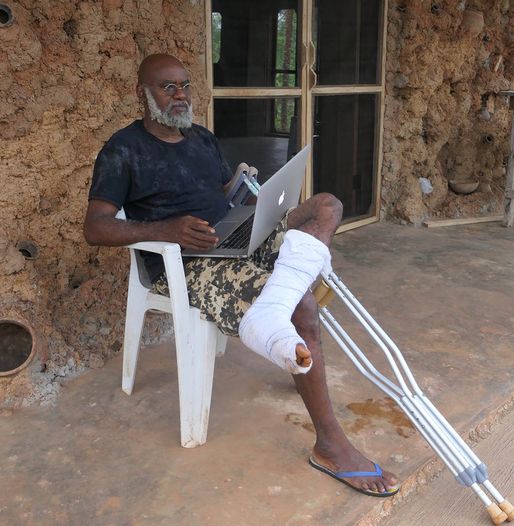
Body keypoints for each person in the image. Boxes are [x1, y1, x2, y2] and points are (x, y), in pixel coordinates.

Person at [83, 53, 400, 497]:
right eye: (167, 87)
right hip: (182, 263)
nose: (180, 96)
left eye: (185, 85)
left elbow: (219, 199)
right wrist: (166, 230)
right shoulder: (122, 150)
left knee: (325, 205)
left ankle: (288, 298)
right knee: (302, 306)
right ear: (143, 93)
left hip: (231, 237)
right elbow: (95, 228)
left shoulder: (201, 139)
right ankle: (330, 443)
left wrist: (250, 196)